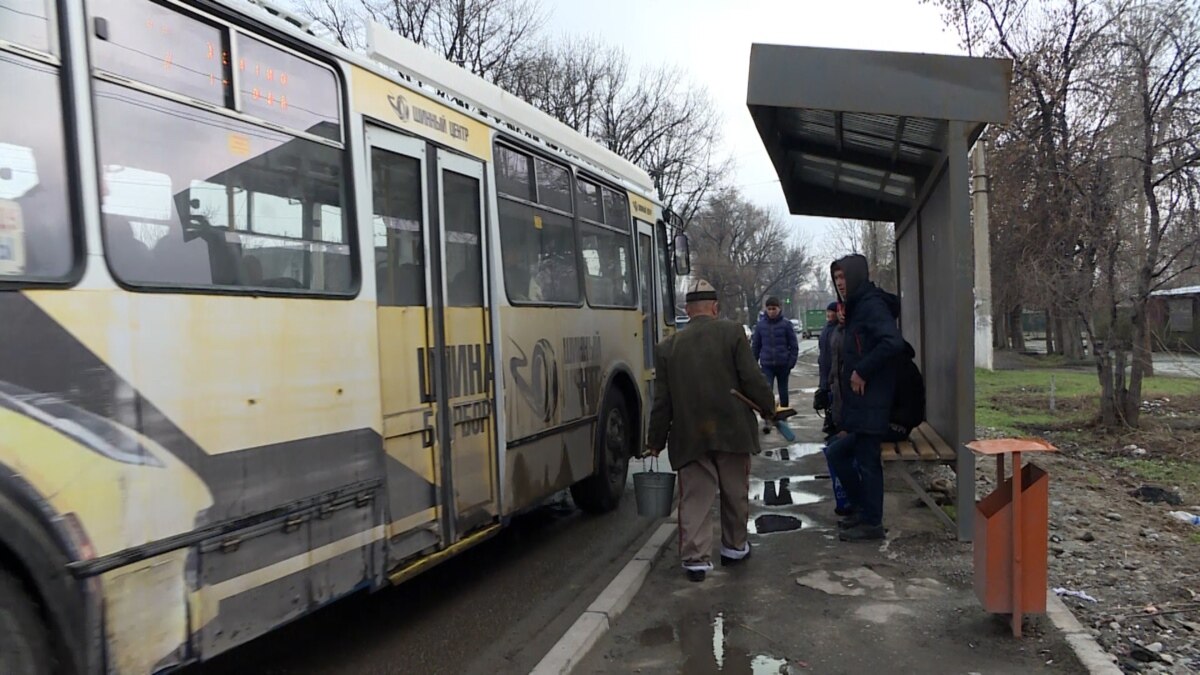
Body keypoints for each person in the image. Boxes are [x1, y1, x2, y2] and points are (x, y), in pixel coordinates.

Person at [646, 279, 777, 582]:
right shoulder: (732, 333)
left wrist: (655, 441)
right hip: (732, 431)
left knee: (695, 497)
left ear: (687, 311)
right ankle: (734, 547)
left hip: (690, 433)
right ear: (715, 308)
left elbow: (662, 402)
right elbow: (751, 377)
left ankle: (695, 559)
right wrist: (768, 408)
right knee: (734, 492)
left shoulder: (667, 347)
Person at [826, 254, 904, 542]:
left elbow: (891, 342)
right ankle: (864, 511)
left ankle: (873, 523)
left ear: (856, 276)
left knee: (868, 463)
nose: (840, 284)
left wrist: (862, 370)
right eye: (836, 279)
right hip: (862, 404)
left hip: (873, 401)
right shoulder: (857, 307)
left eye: (844, 277)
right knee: (838, 453)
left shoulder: (871, 305)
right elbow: (861, 342)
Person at [813, 301, 853, 516]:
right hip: (834, 386)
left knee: (840, 451)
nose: (834, 315)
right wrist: (825, 385)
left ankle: (852, 504)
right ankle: (847, 502)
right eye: (833, 311)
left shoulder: (850, 333)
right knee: (836, 445)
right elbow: (827, 361)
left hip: (851, 399)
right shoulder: (832, 332)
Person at [750, 296, 799, 409]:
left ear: (779, 308)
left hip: (783, 364)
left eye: (774, 309)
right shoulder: (761, 325)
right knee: (767, 391)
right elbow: (756, 346)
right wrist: (754, 364)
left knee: (783, 391)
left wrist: (790, 363)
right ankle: (769, 413)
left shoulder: (786, 324)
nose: (771, 312)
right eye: (769, 309)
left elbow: (793, 346)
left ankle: (784, 412)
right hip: (767, 364)